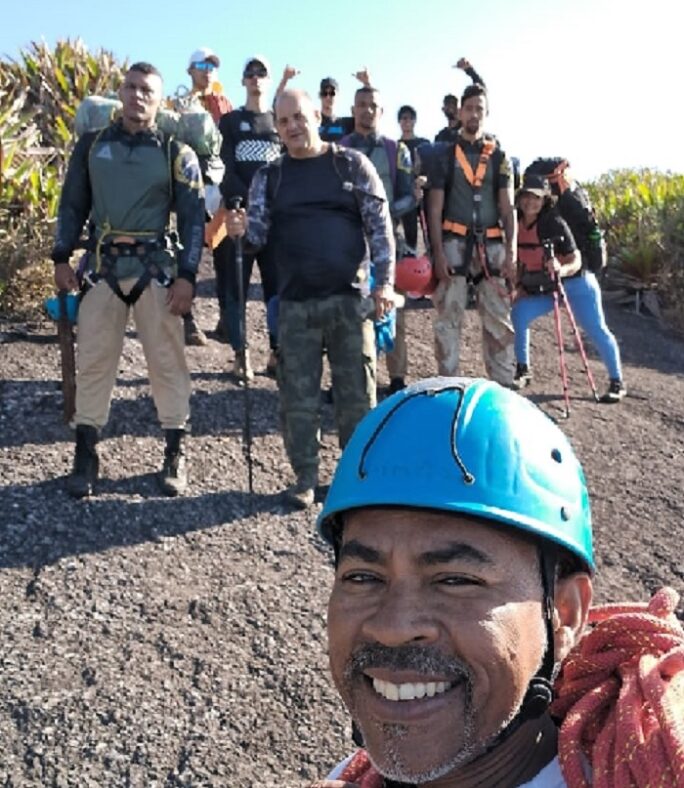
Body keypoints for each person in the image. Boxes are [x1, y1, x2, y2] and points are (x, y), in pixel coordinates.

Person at [313, 376, 684, 787]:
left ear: (564, 615)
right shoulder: (347, 775)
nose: (393, 627)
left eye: (455, 580)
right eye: (363, 577)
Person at [223, 89, 396, 509]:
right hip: (295, 305)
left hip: (349, 303)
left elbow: (380, 227)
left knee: (357, 398)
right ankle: (304, 479)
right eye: (283, 122)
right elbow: (259, 237)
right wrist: (240, 231)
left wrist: (385, 284)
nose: (292, 127)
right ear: (277, 129)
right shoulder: (270, 176)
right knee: (297, 401)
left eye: (299, 117)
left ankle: (356, 482)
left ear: (316, 115)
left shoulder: (351, 164)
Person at [52, 62, 205, 498]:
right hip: (102, 269)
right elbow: (72, 204)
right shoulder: (91, 145)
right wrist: (61, 256)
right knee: (95, 361)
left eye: (148, 91)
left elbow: (193, 219)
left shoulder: (176, 151)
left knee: (167, 363)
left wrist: (188, 277)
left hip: (155, 272)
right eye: (132, 87)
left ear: (159, 101)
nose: (139, 96)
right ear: (121, 91)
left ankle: (175, 450)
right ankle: (86, 452)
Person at [427, 83, 516, 386]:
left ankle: (504, 388)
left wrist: (511, 252)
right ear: (460, 112)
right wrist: (437, 254)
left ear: (486, 113)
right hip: (453, 244)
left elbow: (508, 208)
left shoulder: (499, 157)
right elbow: (434, 208)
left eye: (480, 108)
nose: (474, 114)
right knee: (448, 320)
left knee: (498, 320)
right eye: (469, 108)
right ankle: (447, 386)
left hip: (491, 246)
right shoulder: (444, 155)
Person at [511, 174, 626, 402]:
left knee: (596, 330)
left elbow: (575, 260)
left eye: (536, 198)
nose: (530, 202)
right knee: (519, 314)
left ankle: (617, 382)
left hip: (578, 285)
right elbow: (519, 261)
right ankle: (523, 370)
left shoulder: (553, 223)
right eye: (526, 196)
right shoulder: (515, 223)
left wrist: (561, 270)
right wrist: (519, 286)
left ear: (545, 200)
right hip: (547, 288)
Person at [341, 86, 417, 395]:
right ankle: (346, 377)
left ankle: (397, 377)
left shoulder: (397, 151)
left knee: (392, 306)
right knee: (348, 308)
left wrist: (381, 216)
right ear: (353, 109)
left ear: (381, 111)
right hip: (348, 243)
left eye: (373, 105)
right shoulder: (339, 149)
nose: (367, 110)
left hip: (388, 241)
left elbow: (411, 196)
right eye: (361, 105)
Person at [218, 55, 282, 379]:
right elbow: (225, 166)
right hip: (240, 215)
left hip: (274, 221)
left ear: (268, 80)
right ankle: (240, 353)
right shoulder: (230, 122)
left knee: (276, 288)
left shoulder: (278, 122)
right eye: (250, 73)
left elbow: (285, 170)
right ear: (243, 80)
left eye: (262, 73)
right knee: (236, 289)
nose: (256, 78)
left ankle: (276, 351)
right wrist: (238, 202)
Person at [181, 46, 232, 346]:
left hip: (221, 183)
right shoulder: (180, 102)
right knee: (189, 248)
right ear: (190, 70)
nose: (208, 69)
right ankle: (186, 318)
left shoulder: (226, 104)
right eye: (201, 64)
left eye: (212, 65)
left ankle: (227, 319)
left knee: (225, 249)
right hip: (190, 181)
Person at [397, 104, 430, 252]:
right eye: (404, 118)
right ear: (399, 122)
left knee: (429, 234)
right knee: (408, 236)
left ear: (415, 121)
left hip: (424, 195)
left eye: (410, 118)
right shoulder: (395, 146)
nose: (407, 122)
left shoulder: (424, 144)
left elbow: (432, 170)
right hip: (404, 196)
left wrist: (424, 179)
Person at [434, 57, 486, 144]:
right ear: (443, 109)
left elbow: (481, 92)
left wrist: (469, 70)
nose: (450, 107)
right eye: (448, 104)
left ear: (459, 109)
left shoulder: (466, 129)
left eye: (453, 103)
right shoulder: (441, 136)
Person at [318, 77, 354, 142]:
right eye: (324, 93)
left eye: (332, 93)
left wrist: (367, 83)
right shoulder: (312, 123)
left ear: (338, 95)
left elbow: (368, 121)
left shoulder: (347, 124)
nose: (328, 97)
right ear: (319, 95)